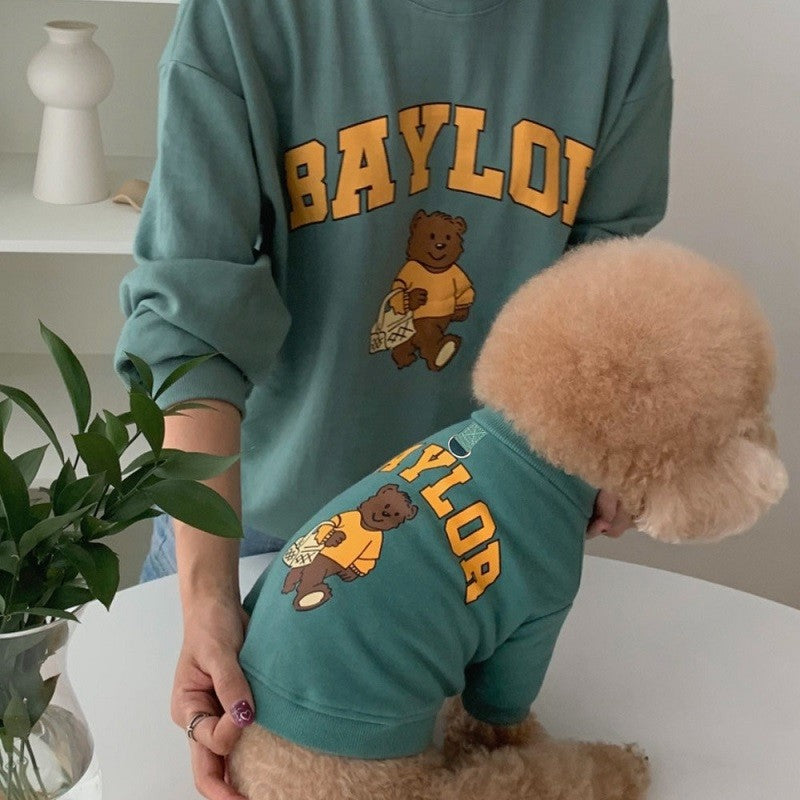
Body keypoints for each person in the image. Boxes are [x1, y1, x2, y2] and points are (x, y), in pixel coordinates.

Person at [114, 0, 672, 797]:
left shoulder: (616, 17)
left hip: (485, 541)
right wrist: (207, 598)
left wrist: (609, 441)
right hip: (258, 531)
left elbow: (604, 277)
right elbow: (191, 325)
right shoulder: (244, 14)